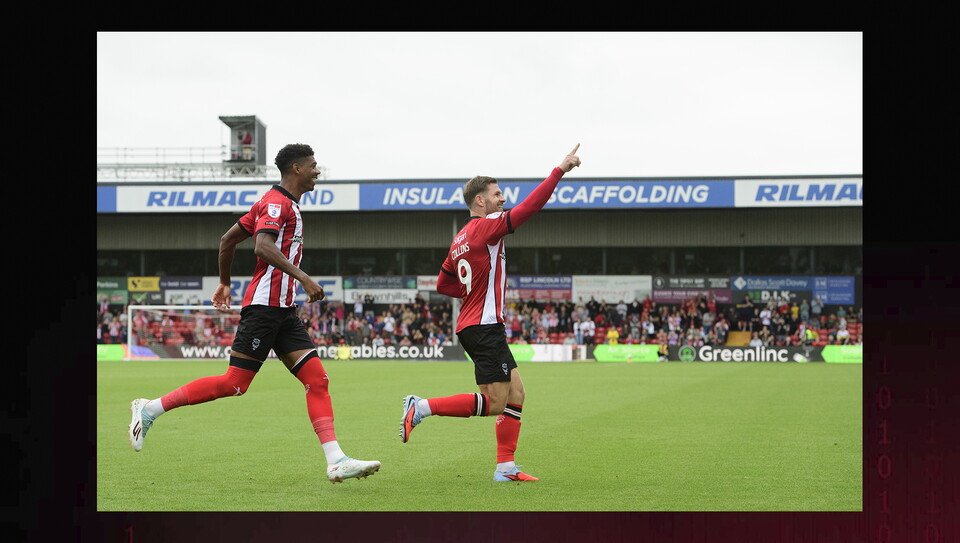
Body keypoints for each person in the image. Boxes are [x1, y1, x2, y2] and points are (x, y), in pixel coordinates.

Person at [127, 143, 380, 484]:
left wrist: (224, 282)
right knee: (235, 384)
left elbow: (226, 241)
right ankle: (150, 408)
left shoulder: (276, 203)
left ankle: (336, 461)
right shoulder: (276, 203)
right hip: (264, 309)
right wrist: (303, 278)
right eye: (313, 165)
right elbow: (262, 246)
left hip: (283, 312)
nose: (317, 171)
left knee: (317, 380)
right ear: (296, 169)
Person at [399, 144, 582, 482]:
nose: (503, 199)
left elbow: (443, 283)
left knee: (516, 393)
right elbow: (529, 208)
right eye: (497, 195)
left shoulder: (460, 238)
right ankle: (421, 406)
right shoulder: (487, 226)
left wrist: (472, 293)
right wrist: (559, 171)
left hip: (475, 324)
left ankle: (505, 468)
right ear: (479, 201)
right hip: (483, 325)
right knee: (495, 402)